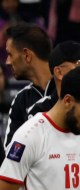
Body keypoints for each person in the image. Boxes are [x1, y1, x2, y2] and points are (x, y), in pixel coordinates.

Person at [3, 23, 54, 158]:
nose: (7, 62)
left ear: (27, 55)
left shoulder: (70, 92)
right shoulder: (21, 100)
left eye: (10, 54)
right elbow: (11, 156)